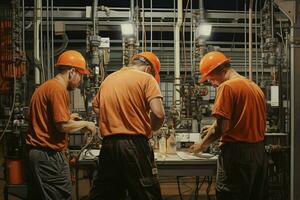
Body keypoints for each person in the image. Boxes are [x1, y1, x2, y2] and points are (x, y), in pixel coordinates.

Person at [189, 51, 268, 200]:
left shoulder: (227, 87)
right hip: (258, 152)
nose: (211, 83)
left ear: (221, 71)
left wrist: (202, 144)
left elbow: (222, 128)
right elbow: (239, 117)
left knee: (230, 195)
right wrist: (213, 126)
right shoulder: (254, 88)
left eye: (211, 78)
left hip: (236, 155)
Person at [87, 51, 165, 200]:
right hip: (134, 146)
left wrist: (114, 117)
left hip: (109, 145)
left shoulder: (108, 80)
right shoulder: (146, 79)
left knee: (107, 193)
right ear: (149, 69)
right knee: (146, 192)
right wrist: (153, 128)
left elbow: (96, 108)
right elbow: (159, 113)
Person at [25, 50, 97, 200]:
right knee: (60, 196)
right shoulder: (58, 90)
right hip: (48, 156)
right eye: (80, 76)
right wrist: (86, 123)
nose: (80, 82)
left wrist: (69, 117)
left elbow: (48, 120)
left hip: (35, 154)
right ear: (72, 72)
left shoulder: (45, 87)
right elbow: (62, 126)